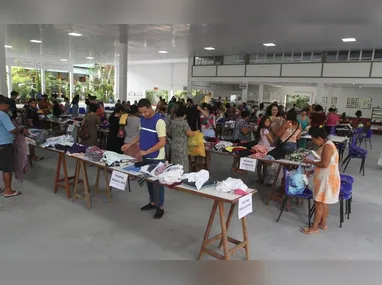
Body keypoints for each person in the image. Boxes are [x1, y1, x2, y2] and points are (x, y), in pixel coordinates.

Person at [121, 99, 166, 219]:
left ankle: (160, 207)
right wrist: (129, 144)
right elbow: (140, 135)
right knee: (148, 180)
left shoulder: (159, 121)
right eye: (141, 112)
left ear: (150, 107)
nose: (143, 114)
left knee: (157, 182)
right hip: (145, 155)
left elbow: (162, 142)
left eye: (145, 111)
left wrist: (147, 151)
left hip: (157, 157)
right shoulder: (142, 120)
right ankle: (152, 202)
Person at [301, 127, 340, 234]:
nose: (314, 142)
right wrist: (311, 172)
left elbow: (324, 164)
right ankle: (322, 223)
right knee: (324, 202)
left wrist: (310, 161)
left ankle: (314, 227)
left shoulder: (327, 147)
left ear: (319, 138)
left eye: (314, 140)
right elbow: (324, 163)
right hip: (326, 177)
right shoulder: (326, 144)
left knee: (318, 203)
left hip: (326, 179)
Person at [0, 97, 23, 198]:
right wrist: (21, 130)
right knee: (7, 169)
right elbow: (12, 130)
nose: (8, 107)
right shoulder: (3, 115)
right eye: (6, 105)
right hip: (4, 144)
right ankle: (8, 190)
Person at [169, 106, 195, 172]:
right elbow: (190, 133)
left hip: (173, 145)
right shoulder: (183, 122)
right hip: (182, 146)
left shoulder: (173, 122)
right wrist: (195, 132)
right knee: (182, 164)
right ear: (184, 114)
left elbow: (169, 132)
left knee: (175, 163)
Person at [254, 116, 274, 182]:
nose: (268, 123)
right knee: (265, 163)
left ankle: (259, 177)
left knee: (260, 162)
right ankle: (264, 177)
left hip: (260, 147)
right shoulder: (265, 130)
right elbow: (271, 140)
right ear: (263, 122)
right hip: (266, 148)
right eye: (266, 121)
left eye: (269, 121)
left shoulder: (260, 129)